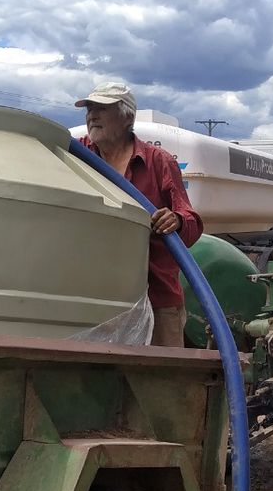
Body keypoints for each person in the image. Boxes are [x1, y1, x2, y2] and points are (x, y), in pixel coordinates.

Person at [75, 82, 203, 346]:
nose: (92, 116)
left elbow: (191, 224)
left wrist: (176, 220)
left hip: (156, 298)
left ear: (128, 118)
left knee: (163, 369)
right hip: (94, 294)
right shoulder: (78, 154)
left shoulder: (158, 161)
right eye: (89, 109)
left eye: (102, 109)